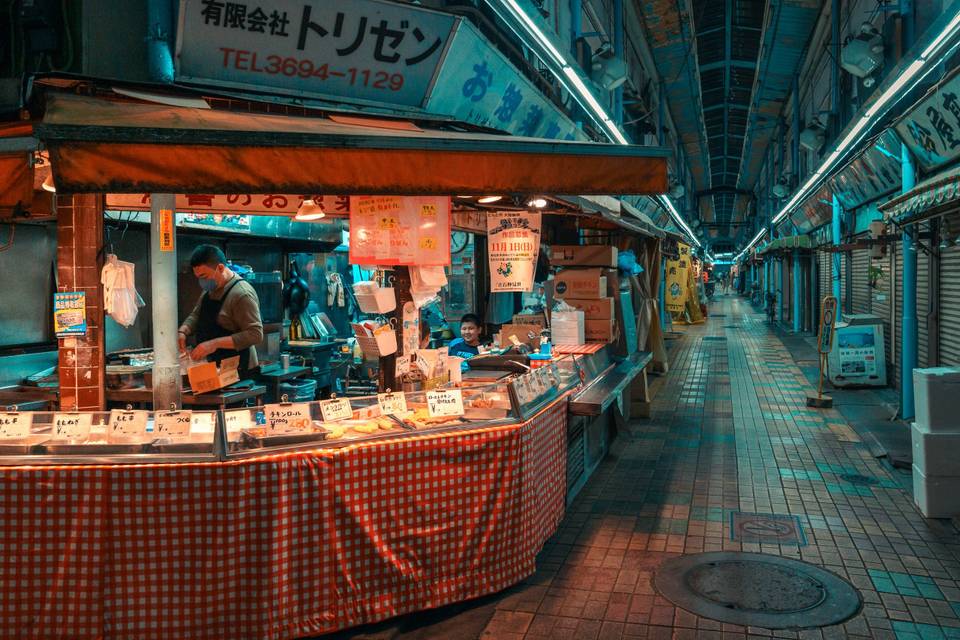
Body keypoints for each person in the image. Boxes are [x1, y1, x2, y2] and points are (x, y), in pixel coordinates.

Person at [178, 245, 264, 378]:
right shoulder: (210, 289)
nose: (201, 281)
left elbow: (255, 334)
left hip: (238, 369)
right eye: (198, 277)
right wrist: (183, 331)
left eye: (204, 276)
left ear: (220, 268)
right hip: (214, 366)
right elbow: (196, 315)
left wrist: (213, 344)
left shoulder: (242, 294)